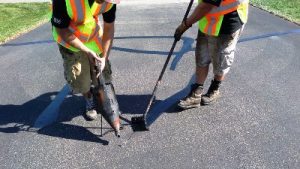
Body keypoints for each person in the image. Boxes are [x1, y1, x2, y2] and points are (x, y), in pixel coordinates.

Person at [51, 0, 120, 120]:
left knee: (104, 75)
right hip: (69, 41)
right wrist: (86, 51)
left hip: (92, 37)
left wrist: (104, 57)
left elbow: (109, 27)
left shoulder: (110, 2)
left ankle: (107, 104)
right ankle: (89, 99)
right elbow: (62, 30)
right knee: (82, 82)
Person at [174, 0, 249, 109]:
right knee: (201, 58)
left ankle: (215, 89)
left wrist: (185, 25)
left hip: (227, 21)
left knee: (220, 61)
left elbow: (206, 5)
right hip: (208, 19)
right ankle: (196, 93)